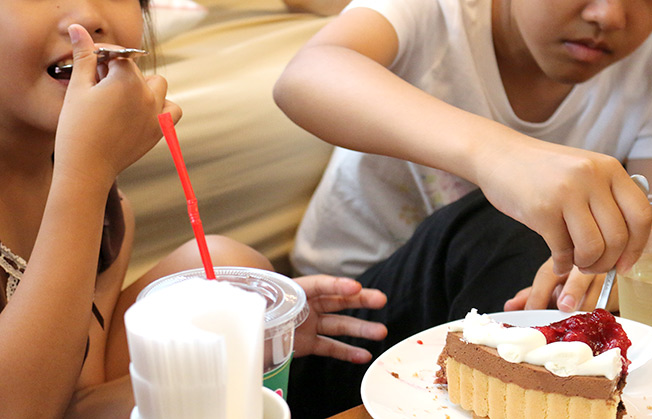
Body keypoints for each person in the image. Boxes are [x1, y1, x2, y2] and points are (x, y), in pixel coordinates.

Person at [273, 0, 652, 416]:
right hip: (343, 325)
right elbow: (305, 75)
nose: (608, 15)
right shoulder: (438, 11)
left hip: (501, 317)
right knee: (509, 226)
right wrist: (501, 156)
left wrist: (594, 269)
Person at [0, 2, 386, 417]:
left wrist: (237, 348)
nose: (88, 15)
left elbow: (76, 402)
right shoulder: (89, 181)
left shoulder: (111, 211)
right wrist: (85, 176)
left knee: (224, 268)